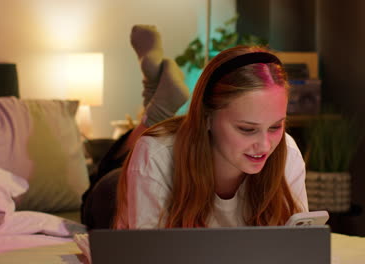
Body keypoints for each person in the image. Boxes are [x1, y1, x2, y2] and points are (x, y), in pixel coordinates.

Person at [112, 43, 309, 228]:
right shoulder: (156, 155)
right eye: (247, 129)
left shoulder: (287, 153)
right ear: (206, 116)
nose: (265, 146)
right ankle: (154, 100)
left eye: (275, 127)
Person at [80, 25, 189, 228]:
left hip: (110, 194)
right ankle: (154, 108)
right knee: (117, 177)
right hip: (114, 191)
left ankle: (153, 105)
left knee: (115, 175)